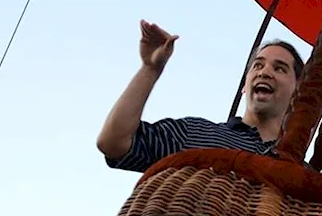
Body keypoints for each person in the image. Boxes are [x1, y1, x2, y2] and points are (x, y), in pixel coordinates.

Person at [97, 20, 304, 172]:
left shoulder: (299, 169)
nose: (264, 72)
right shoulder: (192, 134)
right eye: (258, 65)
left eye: (279, 68)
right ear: (244, 86)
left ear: (297, 92)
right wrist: (150, 68)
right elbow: (114, 143)